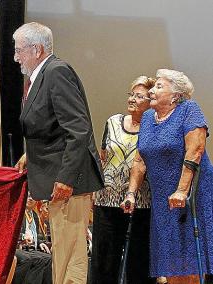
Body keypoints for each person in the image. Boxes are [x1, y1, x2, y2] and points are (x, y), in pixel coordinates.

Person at [13, 22, 104, 284]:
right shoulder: (40, 76)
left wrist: (65, 178)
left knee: (70, 254)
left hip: (69, 181)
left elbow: (78, 129)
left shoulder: (57, 72)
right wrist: (29, 154)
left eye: (19, 50)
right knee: (63, 253)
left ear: (37, 49)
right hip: (57, 178)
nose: (16, 56)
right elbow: (50, 125)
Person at [121, 69, 213, 283]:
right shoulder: (147, 118)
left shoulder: (189, 110)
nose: (152, 91)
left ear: (176, 95)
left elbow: (196, 150)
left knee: (188, 258)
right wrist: (131, 193)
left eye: (159, 87)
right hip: (163, 200)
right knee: (170, 260)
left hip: (191, 197)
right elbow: (139, 160)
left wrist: (182, 190)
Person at [91, 76, 155, 284]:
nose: (132, 99)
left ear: (150, 102)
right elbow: (102, 157)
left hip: (141, 202)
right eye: (131, 94)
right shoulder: (113, 122)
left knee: (139, 262)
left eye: (139, 96)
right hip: (107, 199)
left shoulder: (153, 127)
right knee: (104, 260)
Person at [13, 196, 52, 284]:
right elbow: (10, 233)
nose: (30, 199)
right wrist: (23, 237)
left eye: (33, 197)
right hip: (18, 247)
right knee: (32, 259)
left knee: (49, 258)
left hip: (30, 248)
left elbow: (34, 235)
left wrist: (40, 243)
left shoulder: (34, 215)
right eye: (28, 196)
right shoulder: (17, 212)